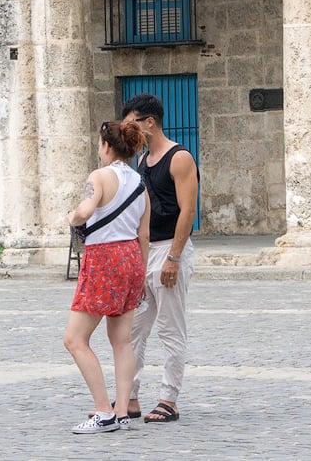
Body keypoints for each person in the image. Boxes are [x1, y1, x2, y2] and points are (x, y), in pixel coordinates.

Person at [64, 120, 150, 434]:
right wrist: (140, 275)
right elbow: (144, 233)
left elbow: (85, 212)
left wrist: (71, 217)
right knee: (122, 341)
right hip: (131, 259)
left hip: (104, 258)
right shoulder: (139, 183)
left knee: (74, 339)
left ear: (106, 146)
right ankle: (123, 410)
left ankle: (104, 412)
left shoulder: (99, 176)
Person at [121, 93, 198, 425]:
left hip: (170, 250)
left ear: (148, 122)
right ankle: (131, 396)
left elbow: (188, 210)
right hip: (146, 251)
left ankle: (169, 399)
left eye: (131, 124)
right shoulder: (142, 161)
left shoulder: (179, 158)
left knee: (170, 328)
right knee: (134, 329)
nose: (128, 131)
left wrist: (174, 258)